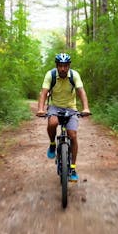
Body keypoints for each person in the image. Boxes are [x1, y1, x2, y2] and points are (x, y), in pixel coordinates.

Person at [36, 53, 90, 182]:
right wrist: (41, 109)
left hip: (71, 108)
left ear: (69, 66)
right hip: (55, 106)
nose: (63, 69)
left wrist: (86, 108)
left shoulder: (75, 75)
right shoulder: (51, 75)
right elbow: (43, 93)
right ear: (57, 66)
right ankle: (53, 144)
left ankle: (72, 168)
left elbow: (81, 91)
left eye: (65, 66)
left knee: (73, 135)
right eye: (60, 66)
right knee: (53, 123)